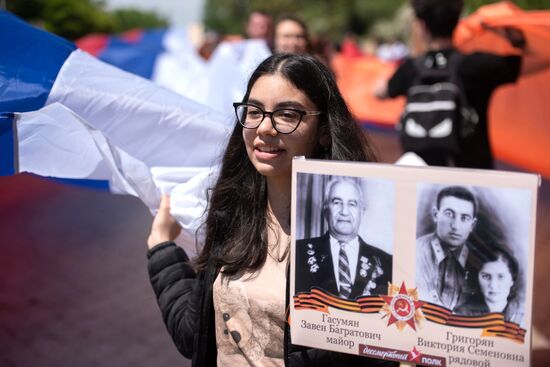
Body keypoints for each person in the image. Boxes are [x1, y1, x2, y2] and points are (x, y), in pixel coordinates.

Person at [146, 54, 395, 366]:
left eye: (287, 115)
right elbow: (193, 335)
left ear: (324, 130)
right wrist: (162, 249)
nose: (265, 128)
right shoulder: (232, 215)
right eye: (254, 111)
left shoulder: (361, 238)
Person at [374, 0, 546, 169]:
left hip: (422, 180)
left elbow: (379, 92)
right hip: (472, 181)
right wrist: (514, 37)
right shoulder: (477, 65)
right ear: (458, 22)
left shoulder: (410, 69)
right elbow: (542, 60)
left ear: (422, 26)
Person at [295, 177, 392, 300]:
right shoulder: (298, 251)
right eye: (337, 202)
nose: (344, 211)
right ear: (326, 210)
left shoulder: (386, 262)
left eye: (352, 204)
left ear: (362, 212)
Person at [416, 185, 479, 310]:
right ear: (435, 215)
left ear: (472, 224)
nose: (456, 226)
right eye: (449, 214)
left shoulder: (479, 262)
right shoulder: (416, 252)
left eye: (465, 218)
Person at [454, 246, 524, 325]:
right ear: (477, 277)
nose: (493, 285)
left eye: (500, 277)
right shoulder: (462, 315)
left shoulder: (523, 314)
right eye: (486, 276)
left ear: (512, 280)